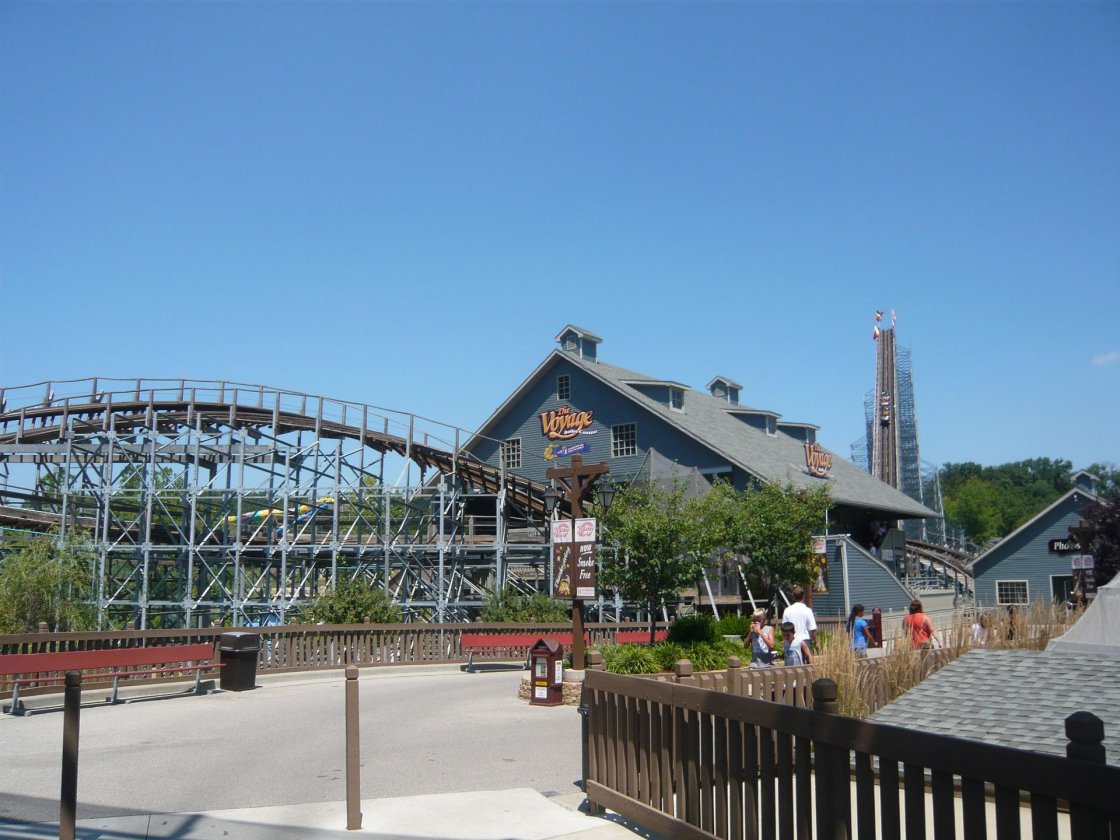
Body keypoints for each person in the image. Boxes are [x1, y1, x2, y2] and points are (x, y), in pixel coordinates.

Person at [782, 585, 817, 651]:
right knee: (805, 657)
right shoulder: (807, 610)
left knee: (793, 657)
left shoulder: (787, 610)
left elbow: (784, 628)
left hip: (792, 641)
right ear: (803, 596)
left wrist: (784, 641)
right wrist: (816, 642)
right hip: (804, 640)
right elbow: (812, 629)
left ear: (793, 596)